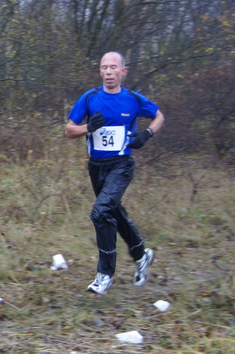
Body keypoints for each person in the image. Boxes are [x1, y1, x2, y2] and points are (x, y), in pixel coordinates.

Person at [64, 51, 165, 295]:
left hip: (121, 165)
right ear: (100, 72)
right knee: (114, 213)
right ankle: (141, 255)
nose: (108, 72)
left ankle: (105, 274)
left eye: (113, 68)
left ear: (123, 72)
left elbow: (159, 116)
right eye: (104, 68)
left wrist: (147, 134)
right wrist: (88, 127)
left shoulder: (132, 99)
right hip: (96, 167)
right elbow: (68, 130)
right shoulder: (89, 98)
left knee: (100, 213)